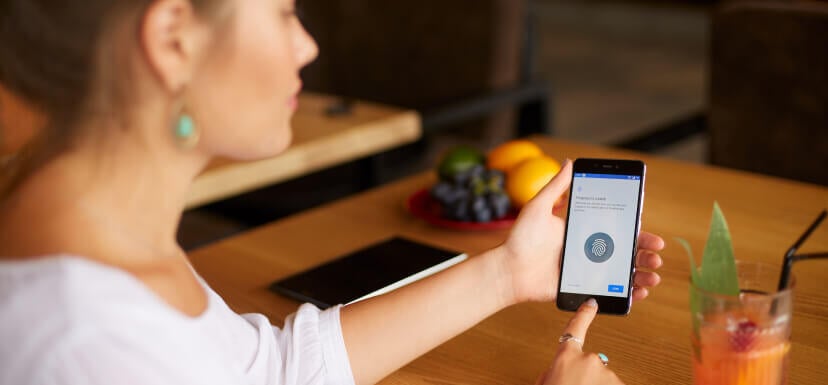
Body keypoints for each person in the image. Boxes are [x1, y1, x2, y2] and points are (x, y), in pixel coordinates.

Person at [0, 0, 664, 384]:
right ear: (173, 38)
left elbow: (269, 373)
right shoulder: (79, 342)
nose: (306, 46)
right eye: (283, 12)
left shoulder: (106, 235)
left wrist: (505, 274)